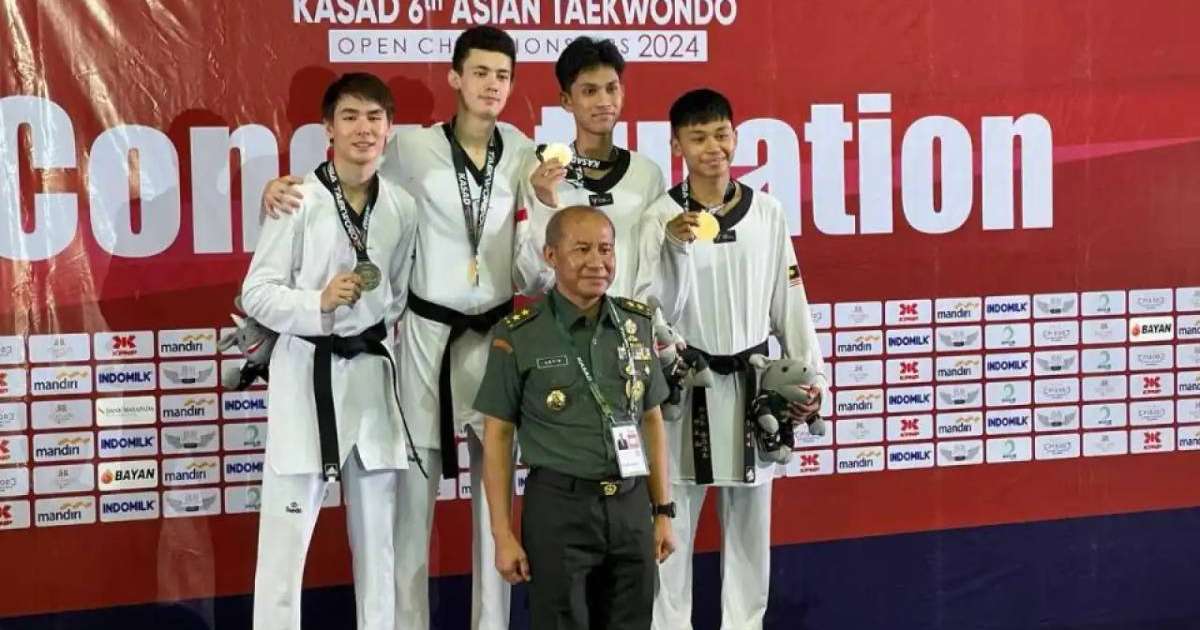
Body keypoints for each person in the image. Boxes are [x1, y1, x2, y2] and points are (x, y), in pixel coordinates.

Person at [261, 26, 539, 630]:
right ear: (455, 77)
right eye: (480, 72)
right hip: (425, 340)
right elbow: (347, 175)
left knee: (496, 504)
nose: (492, 85)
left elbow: (538, 242)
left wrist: (545, 198)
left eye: (502, 75)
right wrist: (283, 185)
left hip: (494, 336)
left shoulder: (521, 150)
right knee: (409, 508)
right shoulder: (411, 145)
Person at [635, 89, 826, 630]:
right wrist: (674, 248)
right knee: (670, 528)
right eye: (697, 138)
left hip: (751, 389)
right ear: (677, 145)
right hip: (684, 389)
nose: (712, 148)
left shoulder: (767, 212)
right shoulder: (660, 217)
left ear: (736, 137)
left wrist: (811, 377)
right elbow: (647, 309)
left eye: (721, 134)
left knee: (749, 535)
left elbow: (790, 302)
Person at [242, 72, 418, 630]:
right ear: (328, 129)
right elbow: (256, 292)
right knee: (284, 549)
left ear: (389, 129)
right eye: (350, 116)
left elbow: (396, 295)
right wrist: (316, 303)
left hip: (370, 380)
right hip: (307, 377)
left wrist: (364, 323)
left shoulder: (402, 207)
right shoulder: (296, 199)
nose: (363, 129)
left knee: (379, 549)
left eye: (374, 117)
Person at [475, 205, 677, 630]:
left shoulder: (637, 324)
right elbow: (498, 435)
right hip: (559, 511)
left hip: (630, 507)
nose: (597, 262)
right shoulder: (520, 333)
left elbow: (652, 420)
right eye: (582, 249)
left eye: (606, 249)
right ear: (551, 256)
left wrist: (663, 511)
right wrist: (502, 534)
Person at [519, 36, 673, 298]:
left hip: (630, 322)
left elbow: (656, 273)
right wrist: (545, 204)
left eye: (611, 88)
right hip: (566, 323)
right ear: (566, 100)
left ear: (622, 92)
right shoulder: (542, 176)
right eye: (590, 91)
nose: (604, 101)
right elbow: (531, 282)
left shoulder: (647, 175)